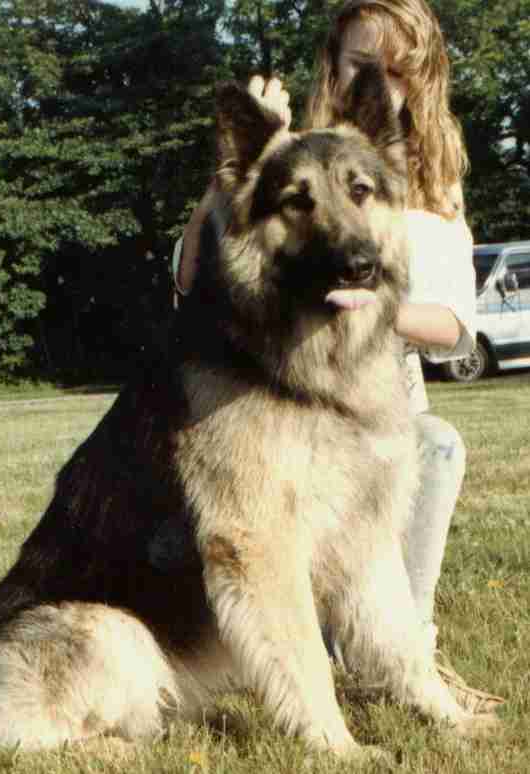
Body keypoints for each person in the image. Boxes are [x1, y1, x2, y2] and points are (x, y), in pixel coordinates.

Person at [172, 0, 504, 714]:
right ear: (333, 64)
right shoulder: (285, 147)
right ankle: (315, 654)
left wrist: (368, 298)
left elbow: (454, 326)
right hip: (283, 383)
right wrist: (223, 186)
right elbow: (193, 277)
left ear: (421, 77)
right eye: (362, 64)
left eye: (398, 68)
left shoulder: (437, 185)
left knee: (434, 446)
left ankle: (406, 653)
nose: (381, 80)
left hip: (383, 391)